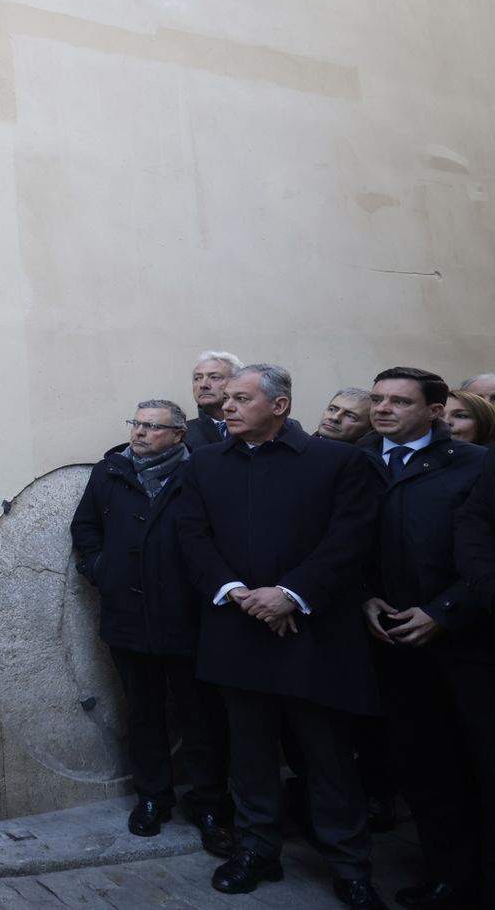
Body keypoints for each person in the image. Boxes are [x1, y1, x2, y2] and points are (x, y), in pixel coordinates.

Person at [175, 365, 386, 909]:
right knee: (249, 753)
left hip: (315, 635)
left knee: (328, 757)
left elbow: (351, 539)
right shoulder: (203, 464)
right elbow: (191, 536)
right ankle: (257, 849)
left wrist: (291, 594)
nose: (227, 406)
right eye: (226, 398)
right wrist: (236, 591)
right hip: (236, 629)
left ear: (281, 405)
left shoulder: (339, 462)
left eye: (242, 398)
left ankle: (349, 865)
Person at [70, 400, 232, 857]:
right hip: (128, 614)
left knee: (200, 715)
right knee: (142, 712)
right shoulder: (110, 471)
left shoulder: (201, 471)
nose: (140, 433)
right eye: (136, 424)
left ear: (178, 435)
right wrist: (102, 569)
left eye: (152, 427)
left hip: (188, 617)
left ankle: (209, 805)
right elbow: (85, 527)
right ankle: (152, 798)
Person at [358, 368, 492, 909]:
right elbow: (348, 543)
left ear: (435, 411)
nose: (382, 409)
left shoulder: (475, 465)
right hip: (396, 646)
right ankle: (447, 877)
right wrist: (363, 596)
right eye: (377, 398)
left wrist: (444, 612)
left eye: (398, 401)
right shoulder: (359, 463)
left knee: (480, 765)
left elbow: (484, 553)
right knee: (424, 767)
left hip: (469, 645)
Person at [184, 352, 245, 450]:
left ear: (237, 382)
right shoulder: (183, 433)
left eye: (215, 377)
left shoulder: (257, 428)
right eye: (197, 378)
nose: (203, 385)